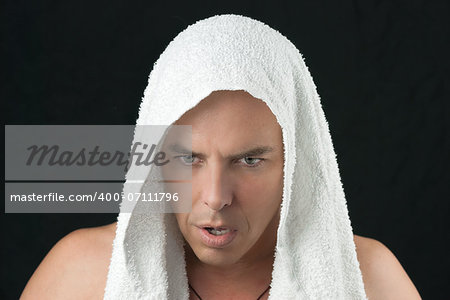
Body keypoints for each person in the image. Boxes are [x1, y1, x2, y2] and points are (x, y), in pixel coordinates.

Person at [21, 15, 421, 300]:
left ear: (296, 163)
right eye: (188, 158)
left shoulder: (369, 279)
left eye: (249, 161)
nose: (216, 197)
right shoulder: (81, 275)